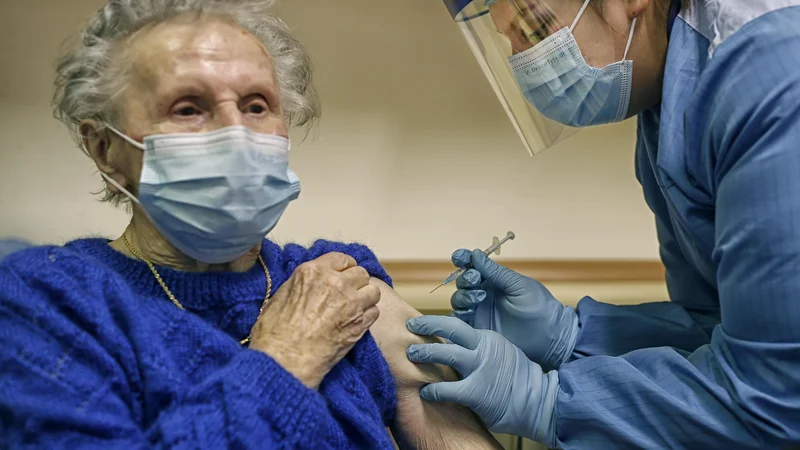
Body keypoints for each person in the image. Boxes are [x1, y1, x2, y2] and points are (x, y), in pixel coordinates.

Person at [0, 1, 505, 448]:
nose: (236, 133)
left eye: (257, 105)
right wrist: (286, 358)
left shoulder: (334, 285)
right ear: (105, 149)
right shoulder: (46, 303)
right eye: (189, 108)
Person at [407, 0, 800, 448]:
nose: (523, 62)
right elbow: (719, 324)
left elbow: (778, 398)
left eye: (535, 30)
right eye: (510, 41)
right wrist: (572, 337)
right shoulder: (668, 101)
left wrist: (546, 402)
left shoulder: (774, 79)